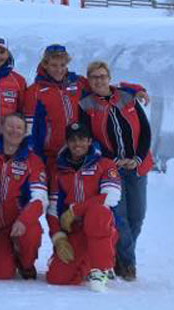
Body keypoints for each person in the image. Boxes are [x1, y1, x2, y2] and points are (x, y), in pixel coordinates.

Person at [78, 60, 151, 281]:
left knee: (137, 215)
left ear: (109, 77)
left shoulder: (127, 97)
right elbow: (89, 139)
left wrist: (137, 158)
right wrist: (112, 160)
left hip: (138, 166)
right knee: (120, 218)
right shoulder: (87, 105)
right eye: (94, 77)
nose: (99, 80)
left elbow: (145, 130)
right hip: (112, 169)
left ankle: (122, 254)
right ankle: (127, 263)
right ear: (89, 81)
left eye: (102, 76)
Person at [46, 121, 121, 292]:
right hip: (76, 230)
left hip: (101, 227)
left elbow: (111, 197)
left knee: (98, 212)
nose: (77, 144)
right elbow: (52, 208)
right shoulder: (58, 169)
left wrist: (75, 210)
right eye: (72, 140)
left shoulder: (105, 164)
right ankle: (89, 262)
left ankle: (100, 269)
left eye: (81, 139)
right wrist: (58, 237)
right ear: (67, 143)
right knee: (56, 278)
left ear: (89, 141)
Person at [0, 112, 48, 280]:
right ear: (1, 128)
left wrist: (24, 219)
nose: (14, 131)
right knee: (1, 274)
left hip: (19, 221)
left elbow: (39, 198)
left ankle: (26, 262)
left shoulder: (33, 160)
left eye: (19, 127)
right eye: (10, 126)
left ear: (25, 131)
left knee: (32, 230)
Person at [25, 44, 87, 172]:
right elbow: (29, 130)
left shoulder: (79, 83)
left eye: (62, 65)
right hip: (51, 157)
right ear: (45, 65)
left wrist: (135, 90)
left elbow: (104, 87)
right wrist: (35, 159)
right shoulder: (35, 91)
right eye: (54, 65)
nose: (59, 70)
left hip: (79, 153)